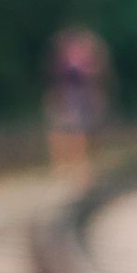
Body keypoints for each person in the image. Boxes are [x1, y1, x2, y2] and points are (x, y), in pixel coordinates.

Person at [43, 23, 114, 174]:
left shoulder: (83, 60)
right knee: (62, 132)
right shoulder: (63, 61)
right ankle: (65, 164)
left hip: (79, 98)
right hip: (67, 97)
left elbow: (96, 77)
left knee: (80, 132)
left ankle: (81, 165)